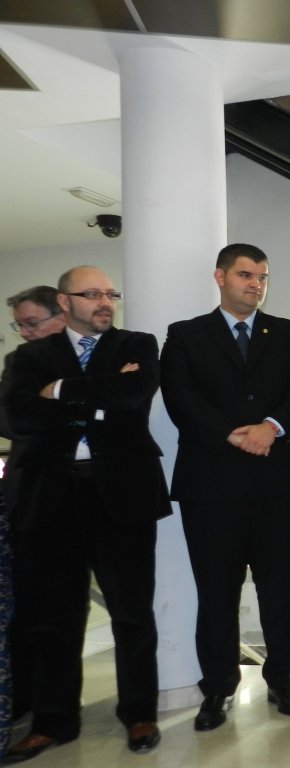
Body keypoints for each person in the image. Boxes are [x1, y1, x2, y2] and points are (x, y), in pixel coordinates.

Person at [3, 268, 169, 761]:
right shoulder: (30, 356)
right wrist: (96, 399)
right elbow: (18, 417)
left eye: (109, 293)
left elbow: (132, 396)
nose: (104, 301)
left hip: (122, 497)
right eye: (91, 294)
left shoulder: (137, 345)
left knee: (132, 613)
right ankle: (54, 721)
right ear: (64, 300)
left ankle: (139, 712)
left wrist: (58, 392)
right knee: (55, 619)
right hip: (51, 500)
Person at [161, 243, 290, 731]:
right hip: (211, 486)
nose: (256, 284)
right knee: (216, 592)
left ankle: (281, 679)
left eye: (263, 277)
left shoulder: (289, 333)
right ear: (220, 277)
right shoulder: (186, 335)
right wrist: (235, 433)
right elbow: (180, 397)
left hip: (279, 483)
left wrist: (270, 427)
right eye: (246, 275)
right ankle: (219, 688)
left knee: (280, 589)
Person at [2, 288, 67, 735]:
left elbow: (110, 410)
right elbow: (9, 421)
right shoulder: (17, 363)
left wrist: (49, 399)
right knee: (29, 614)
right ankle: (24, 703)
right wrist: (66, 404)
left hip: (86, 499)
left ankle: (57, 708)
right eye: (19, 325)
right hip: (29, 502)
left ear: (60, 315)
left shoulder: (87, 355)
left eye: (32, 323)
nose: (25, 333)